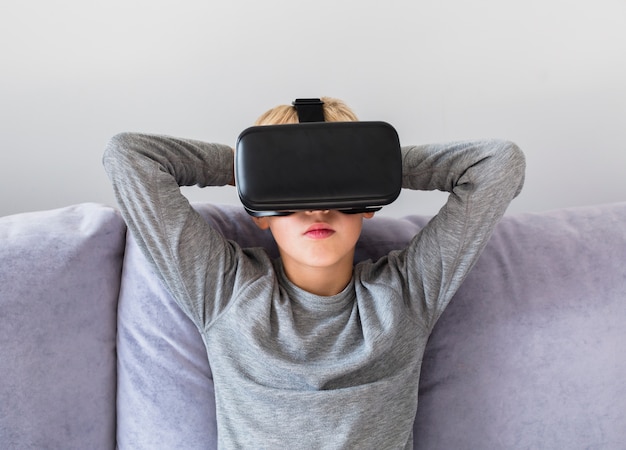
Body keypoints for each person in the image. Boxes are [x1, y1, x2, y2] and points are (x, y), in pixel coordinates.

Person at [103, 96, 525, 448]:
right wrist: (254, 165)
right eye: (294, 188)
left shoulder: (407, 294)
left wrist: (371, 161)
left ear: (368, 201)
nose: (317, 208)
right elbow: (129, 157)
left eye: (335, 186)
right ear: (260, 212)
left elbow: (499, 164)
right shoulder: (225, 290)